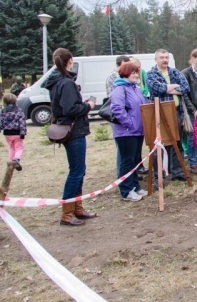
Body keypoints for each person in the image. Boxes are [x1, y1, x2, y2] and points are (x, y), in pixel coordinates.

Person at [43, 48, 98, 226]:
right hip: (74, 132)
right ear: (70, 61)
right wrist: (88, 105)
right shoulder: (66, 83)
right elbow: (70, 109)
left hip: (72, 131)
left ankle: (77, 208)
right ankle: (67, 213)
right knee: (76, 172)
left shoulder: (58, 81)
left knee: (79, 171)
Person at [146, 48, 191, 182]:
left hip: (177, 112)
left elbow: (185, 88)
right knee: (161, 144)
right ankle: (160, 175)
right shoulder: (151, 74)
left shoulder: (174, 72)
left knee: (177, 143)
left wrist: (167, 88)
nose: (165, 60)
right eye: (162, 58)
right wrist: (173, 87)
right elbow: (157, 88)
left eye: (166, 57)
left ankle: (177, 172)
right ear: (156, 59)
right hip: (160, 113)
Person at [110, 62, 148, 202]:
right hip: (126, 133)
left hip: (138, 131)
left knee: (134, 161)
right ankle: (126, 190)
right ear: (125, 73)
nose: (136, 75)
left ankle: (135, 186)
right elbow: (117, 109)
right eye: (133, 73)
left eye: (137, 72)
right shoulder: (119, 90)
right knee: (126, 161)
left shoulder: (136, 88)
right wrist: (130, 124)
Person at [0, 93, 27, 171]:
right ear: (15, 101)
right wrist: (22, 133)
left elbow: (0, 122)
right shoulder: (18, 110)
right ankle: (16, 160)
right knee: (19, 147)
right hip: (17, 133)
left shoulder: (3, 111)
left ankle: (10, 161)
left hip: (7, 133)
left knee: (11, 147)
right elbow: (22, 122)